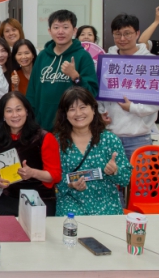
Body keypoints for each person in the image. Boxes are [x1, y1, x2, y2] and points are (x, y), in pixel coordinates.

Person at [54, 87, 131, 216]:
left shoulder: (109, 140)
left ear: (93, 109)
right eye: (72, 109)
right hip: (71, 204)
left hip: (107, 205)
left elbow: (125, 179)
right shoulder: (57, 142)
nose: (78, 113)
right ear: (65, 114)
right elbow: (52, 179)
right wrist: (71, 184)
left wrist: (115, 171)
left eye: (83, 107)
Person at [99, 14, 159, 160]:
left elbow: (157, 101)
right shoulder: (106, 62)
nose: (122, 39)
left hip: (139, 138)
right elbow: (98, 94)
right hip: (110, 136)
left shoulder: (152, 63)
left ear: (137, 33)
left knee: (139, 182)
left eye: (127, 34)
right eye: (117, 34)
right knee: (110, 182)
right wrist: (100, 113)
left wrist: (132, 107)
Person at [26, 10, 98, 131]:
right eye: (56, 27)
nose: (60, 32)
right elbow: (32, 91)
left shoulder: (83, 56)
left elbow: (92, 93)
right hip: (42, 127)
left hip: (73, 127)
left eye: (65, 27)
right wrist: (31, 120)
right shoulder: (43, 56)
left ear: (74, 31)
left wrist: (75, 76)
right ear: (50, 31)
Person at [0, 92, 61, 216]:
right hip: (11, 197)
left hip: (41, 198)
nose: (15, 115)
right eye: (9, 111)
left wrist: (32, 173)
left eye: (19, 109)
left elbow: (55, 176)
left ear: (27, 111)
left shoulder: (45, 138)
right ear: (3, 115)